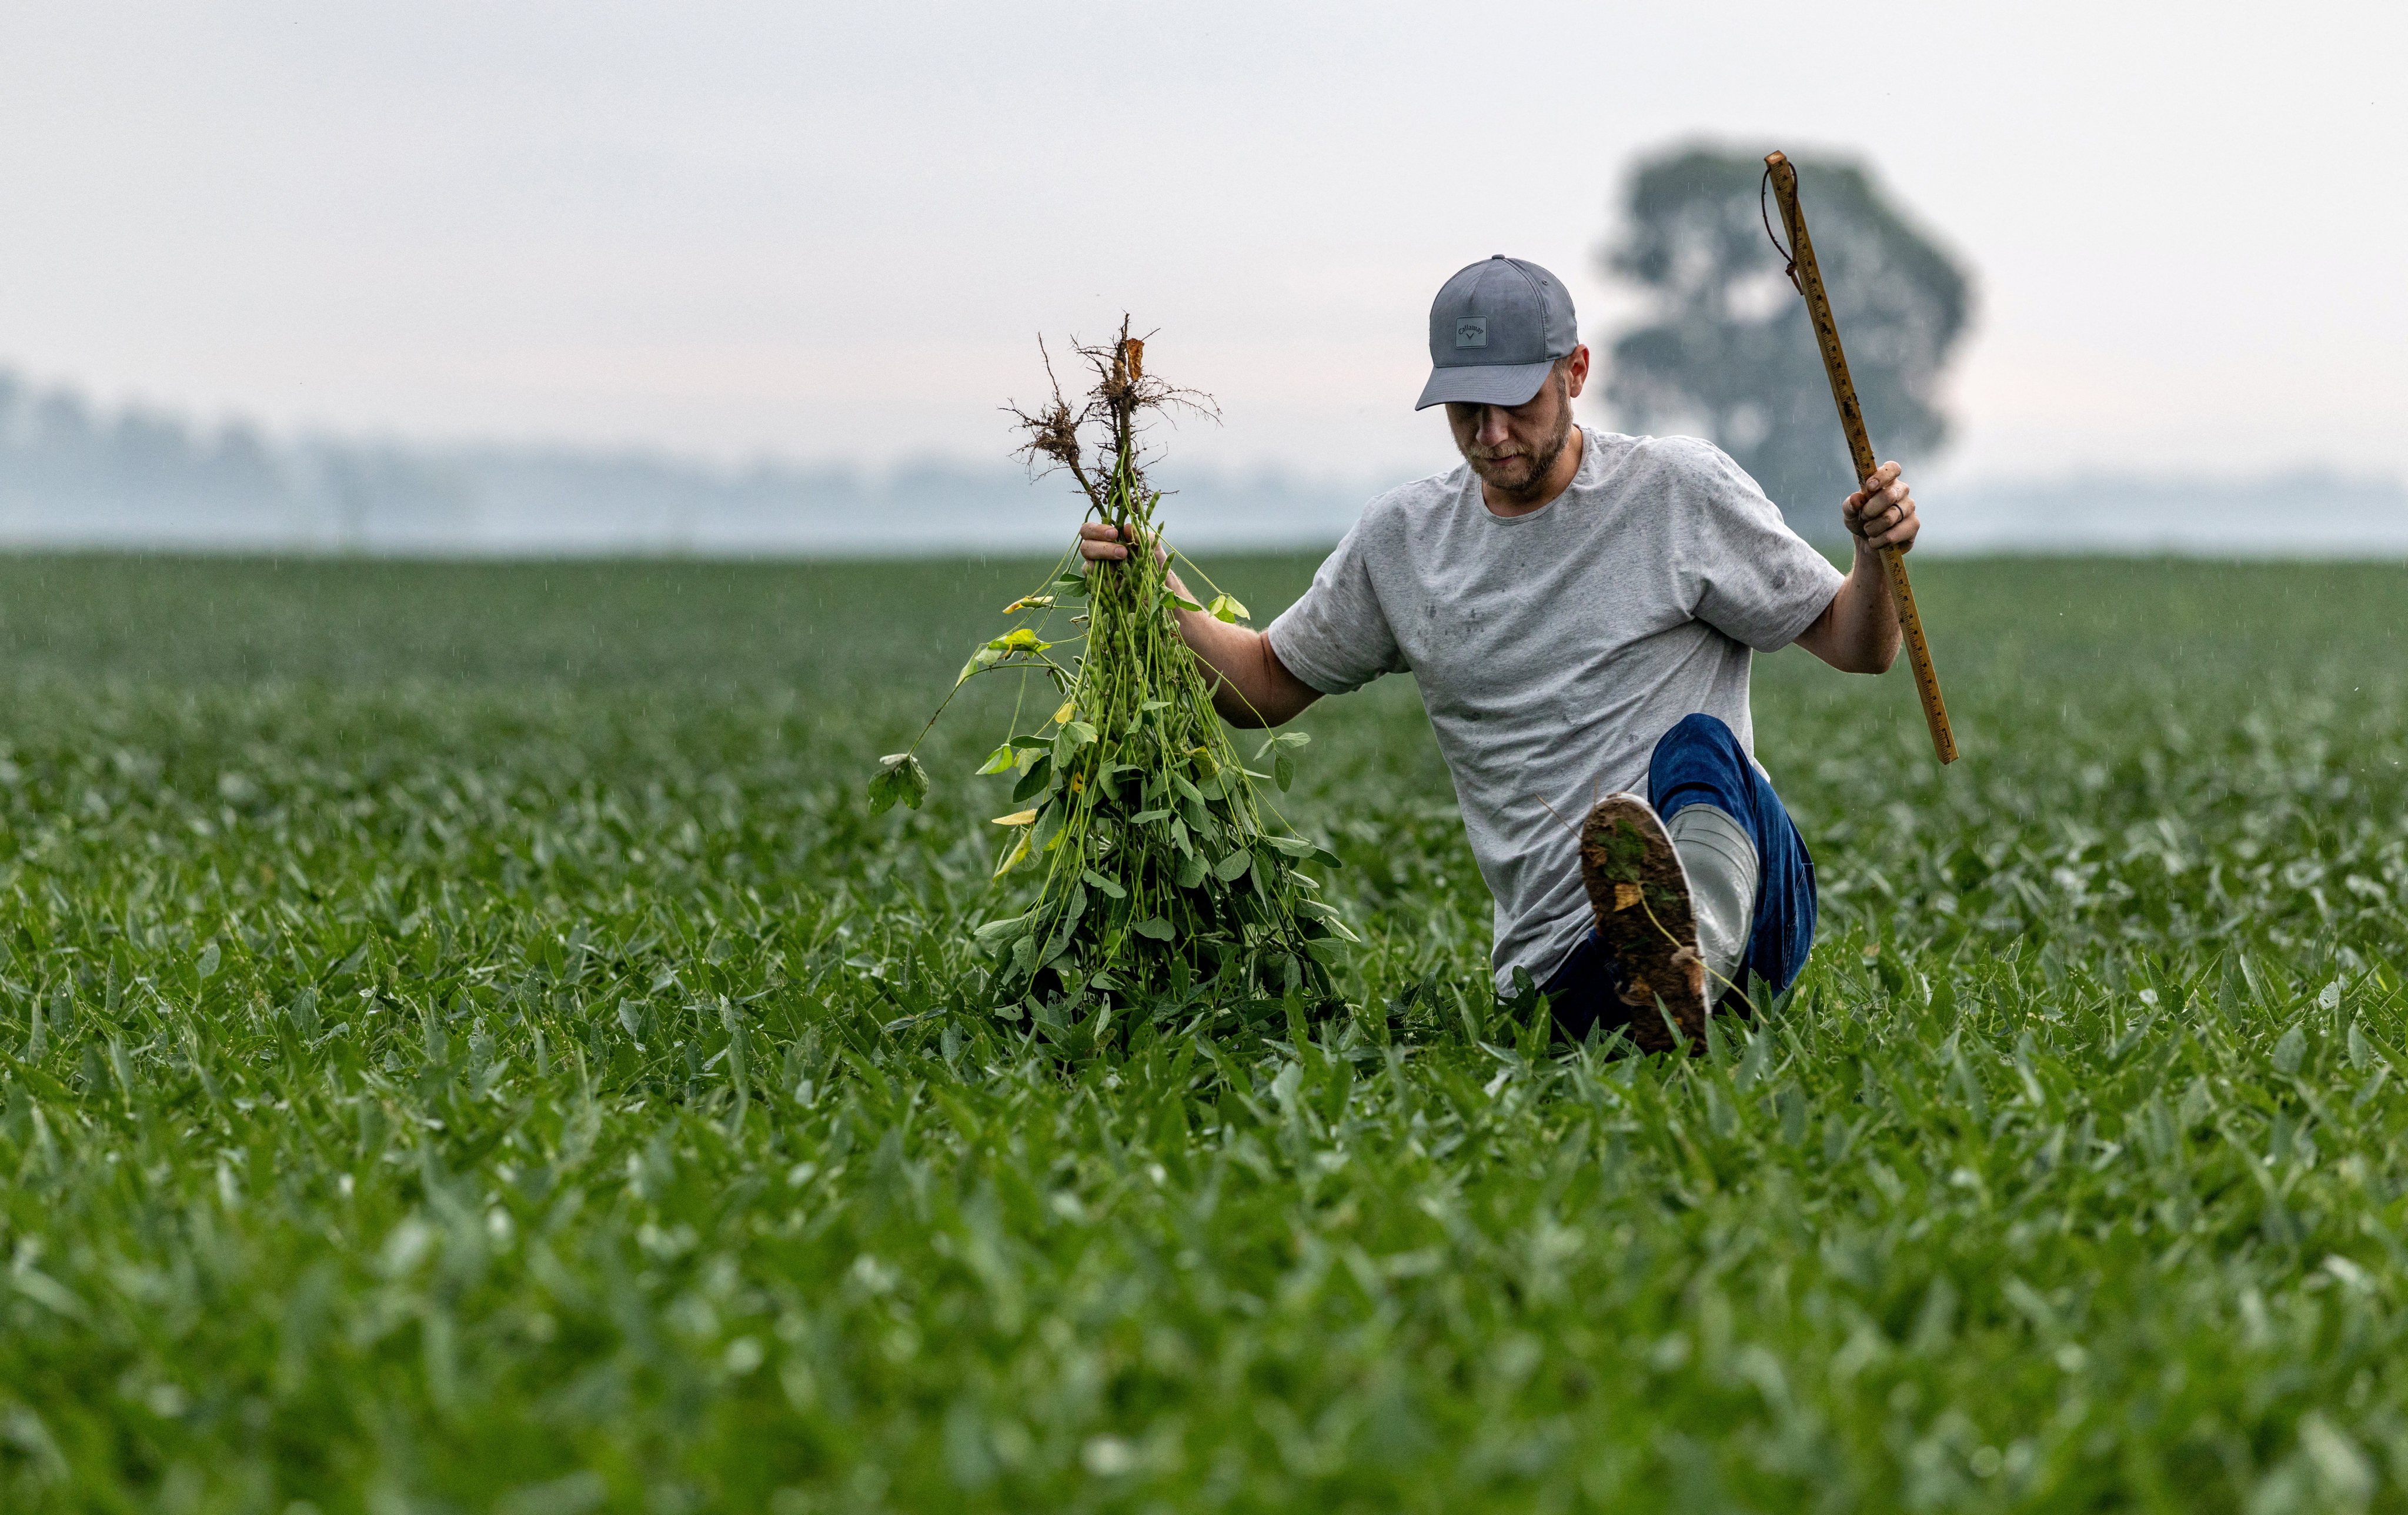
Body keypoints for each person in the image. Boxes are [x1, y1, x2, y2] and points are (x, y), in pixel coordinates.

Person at [1080, 255, 1920, 1050]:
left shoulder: (1677, 491)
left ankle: (1690, 959)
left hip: (1758, 902)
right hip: (1567, 957)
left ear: (1576, 372)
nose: (1493, 433)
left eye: (1518, 402)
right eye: (1466, 411)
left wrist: (1877, 557)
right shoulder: (1404, 541)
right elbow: (1262, 685)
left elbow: (1858, 643)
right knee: (1591, 991)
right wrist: (1158, 596)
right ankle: (1654, 978)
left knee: (1697, 748)